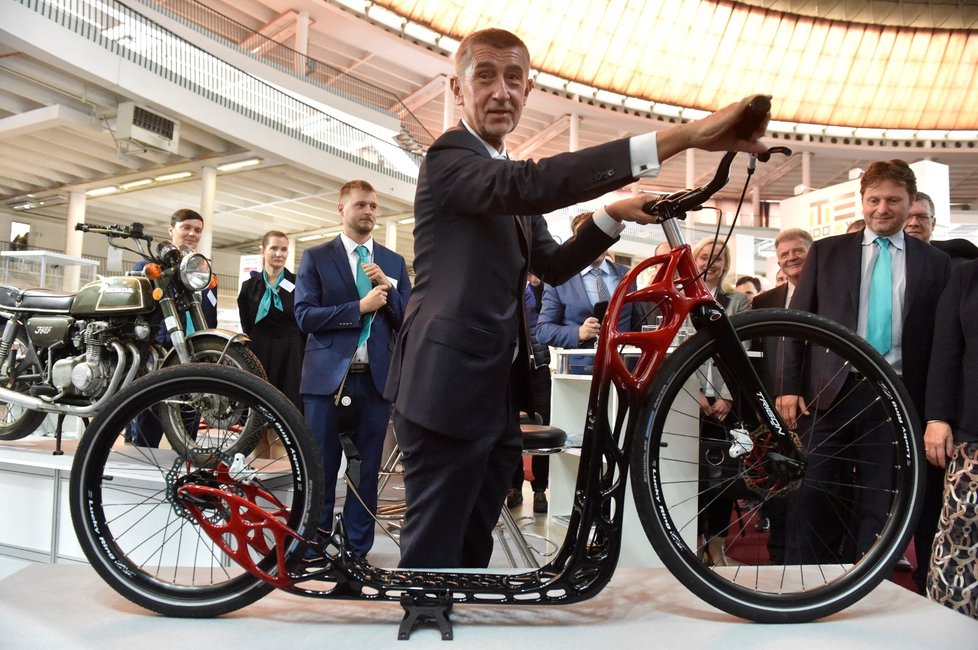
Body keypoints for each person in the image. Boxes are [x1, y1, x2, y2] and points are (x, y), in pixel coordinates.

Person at [382, 27, 770, 569]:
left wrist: (612, 215)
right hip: (443, 382)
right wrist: (684, 136)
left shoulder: (499, 172)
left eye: (514, 79)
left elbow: (554, 263)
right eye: (485, 76)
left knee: (471, 536)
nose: (501, 91)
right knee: (435, 542)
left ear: (528, 89)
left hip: (490, 388)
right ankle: (424, 620)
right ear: (457, 87)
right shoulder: (451, 158)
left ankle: (457, 611)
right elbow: (536, 182)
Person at [779, 159, 950, 564]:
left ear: (911, 204)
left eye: (894, 200)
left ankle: (868, 586)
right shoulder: (826, 253)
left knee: (879, 501)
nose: (882, 208)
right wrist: (787, 386)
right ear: (862, 201)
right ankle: (803, 587)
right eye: (874, 199)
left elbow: (943, 343)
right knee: (812, 492)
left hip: (894, 394)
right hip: (828, 395)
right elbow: (796, 323)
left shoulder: (936, 264)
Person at [295, 180, 411, 557]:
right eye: (361, 205)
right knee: (321, 467)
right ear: (341, 209)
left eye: (374, 207)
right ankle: (313, 544)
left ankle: (358, 549)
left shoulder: (392, 262)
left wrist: (388, 291)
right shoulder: (316, 257)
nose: (369, 213)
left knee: (366, 471)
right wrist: (358, 308)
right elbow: (304, 316)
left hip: (375, 382)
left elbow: (407, 321)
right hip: (326, 381)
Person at [129, 208, 217, 447]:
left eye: (197, 230)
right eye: (186, 228)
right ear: (171, 230)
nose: (192, 234)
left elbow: (211, 318)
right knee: (148, 425)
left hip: (195, 357)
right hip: (161, 354)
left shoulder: (205, 273)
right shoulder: (149, 267)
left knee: (190, 424)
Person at [922, 259, 978, 618]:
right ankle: (950, 623)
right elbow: (945, 349)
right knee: (961, 534)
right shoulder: (968, 274)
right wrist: (937, 416)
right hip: (973, 428)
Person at [689, 237, 749, 566]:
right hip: (689, 400)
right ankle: (695, 542)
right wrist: (694, 394)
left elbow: (742, 346)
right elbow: (680, 348)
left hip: (727, 400)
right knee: (695, 477)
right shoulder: (682, 299)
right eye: (703, 257)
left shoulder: (737, 300)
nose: (710, 263)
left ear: (725, 264)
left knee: (724, 477)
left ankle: (717, 544)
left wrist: (726, 394)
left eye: (718, 258)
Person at [536, 212, 641, 374]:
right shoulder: (560, 281)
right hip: (579, 372)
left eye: (599, 236)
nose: (594, 244)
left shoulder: (627, 276)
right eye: (587, 238)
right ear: (575, 243)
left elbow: (637, 324)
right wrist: (578, 333)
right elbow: (543, 330)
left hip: (624, 370)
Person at [237, 230, 303, 410]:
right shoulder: (249, 287)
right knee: (258, 405)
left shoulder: (300, 283)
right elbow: (247, 324)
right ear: (262, 250)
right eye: (274, 248)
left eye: (284, 249)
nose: (279, 254)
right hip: (260, 350)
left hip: (291, 353)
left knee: (288, 405)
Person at [508, 273, 552, 513]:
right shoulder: (506, 285)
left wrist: (536, 282)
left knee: (543, 425)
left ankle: (540, 489)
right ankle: (513, 485)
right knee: (511, 426)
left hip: (538, 367)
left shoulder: (539, 288)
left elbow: (549, 312)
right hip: (510, 367)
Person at [905, 190, 978, 265]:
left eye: (923, 217)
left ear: (933, 224)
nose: (913, 223)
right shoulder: (893, 263)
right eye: (906, 216)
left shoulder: (958, 258)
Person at [752, 229, 813, 310]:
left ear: (813, 255)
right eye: (784, 255)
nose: (791, 258)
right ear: (779, 264)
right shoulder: (762, 302)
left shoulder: (831, 293)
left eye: (798, 251)